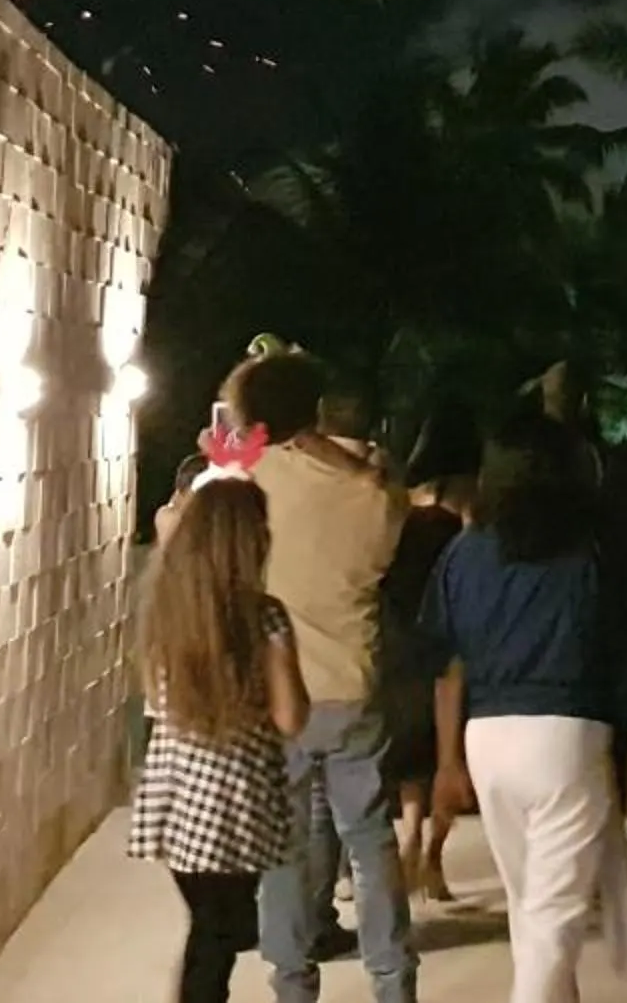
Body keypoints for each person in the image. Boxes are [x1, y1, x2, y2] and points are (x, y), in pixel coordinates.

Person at [425, 407, 627, 1003]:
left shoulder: (463, 555)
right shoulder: (591, 553)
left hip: (487, 740)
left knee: (531, 910)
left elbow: (447, 662)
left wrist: (447, 760)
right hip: (567, 737)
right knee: (551, 918)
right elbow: (623, 651)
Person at [231, 349, 419, 1003]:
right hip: (352, 683)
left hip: (278, 691)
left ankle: (291, 985)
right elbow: (380, 485)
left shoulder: (255, 479)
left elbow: (232, 435)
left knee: (286, 847)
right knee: (368, 841)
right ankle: (393, 985)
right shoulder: (378, 494)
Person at [128, 477, 312, 1003]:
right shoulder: (263, 616)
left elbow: (156, 698)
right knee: (220, 935)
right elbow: (290, 717)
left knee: (211, 929)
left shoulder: (165, 608)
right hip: (240, 796)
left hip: (177, 791)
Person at [384, 399, 482, 902]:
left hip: (399, 640)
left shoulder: (402, 508)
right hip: (448, 641)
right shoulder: (465, 521)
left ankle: (413, 842)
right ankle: (430, 854)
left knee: (411, 759)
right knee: (445, 753)